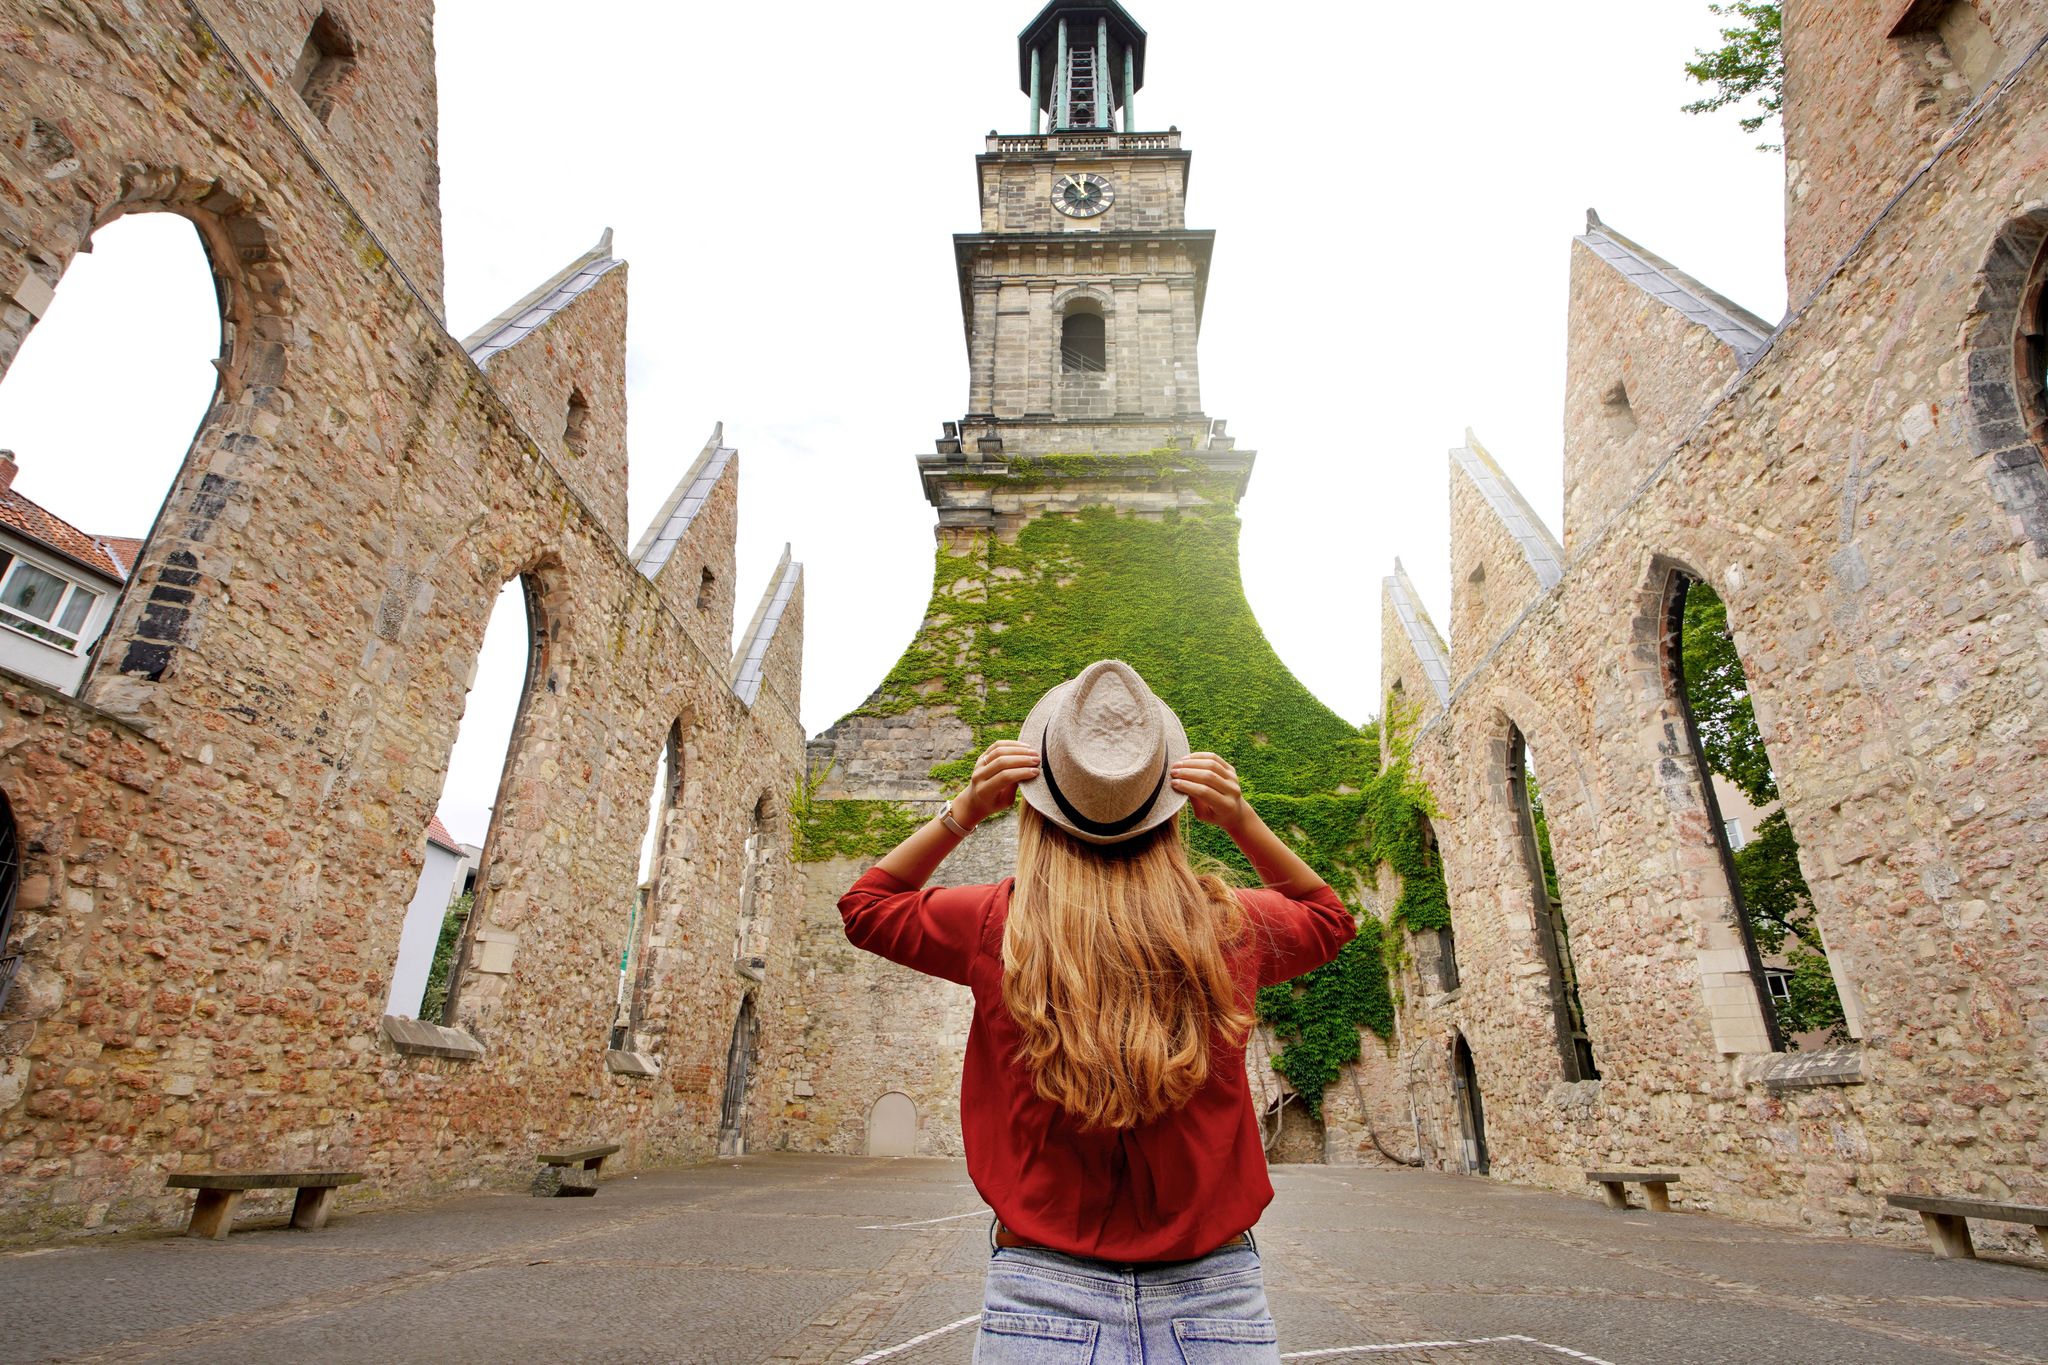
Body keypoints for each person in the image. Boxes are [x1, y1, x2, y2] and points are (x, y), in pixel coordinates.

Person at [838, 659, 1356, 1363]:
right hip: (1215, 1302)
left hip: (1040, 1299)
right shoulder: (1226, 925)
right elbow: (1328, 917)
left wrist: (962, 810)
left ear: (1037, 805)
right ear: (1167, 804)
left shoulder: (999, 925)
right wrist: (1240, 816)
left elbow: (866, 907)